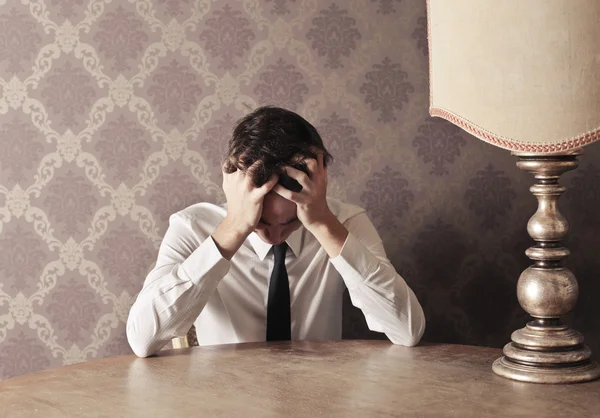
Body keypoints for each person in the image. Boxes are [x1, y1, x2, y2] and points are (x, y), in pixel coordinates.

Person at [126, 106, 425, 357]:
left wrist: (322, 224)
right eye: (261, 223)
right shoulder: (193, 227)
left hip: (320, 404)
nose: (274, 237)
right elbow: (142, 339)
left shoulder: (343, 223)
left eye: (290, 223)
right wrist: (233, 229)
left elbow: (407, 330)